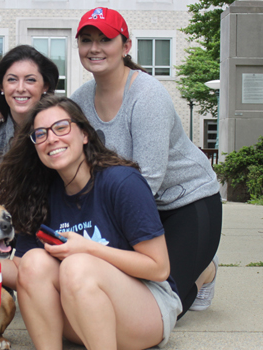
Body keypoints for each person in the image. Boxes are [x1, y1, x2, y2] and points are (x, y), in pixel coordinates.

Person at [0, 96, 182, 349]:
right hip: (81, 312)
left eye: (61, 127)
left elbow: (158, 268)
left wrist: (88, 249)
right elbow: (23, 273)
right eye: (40, 134)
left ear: (84, 134)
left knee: (77, 265)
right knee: (34, 261)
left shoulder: (122, 183)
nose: (51, 139)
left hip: (146, 309)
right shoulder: (38, 195)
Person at [70, 7, 222, 318]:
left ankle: (205, 271)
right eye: (86, 40)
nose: (94, 48)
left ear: (125, 47)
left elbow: (148, 180)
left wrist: (107, 241)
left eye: (105, 39)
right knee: (117, 293)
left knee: (157, 308)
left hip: (185, 203)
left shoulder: (147, 96)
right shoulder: (80, 100)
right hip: (133, 206)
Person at [0, 44, 59, 203]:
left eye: (30, 80)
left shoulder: (59, 127)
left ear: (45, 86)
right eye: (12, 80)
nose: (21, 88)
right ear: (1, 86)